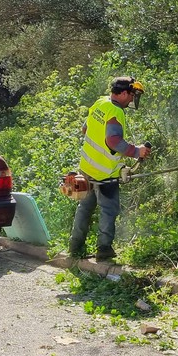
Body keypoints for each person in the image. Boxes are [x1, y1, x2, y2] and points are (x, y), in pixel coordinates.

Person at [68, 76, 151, 262]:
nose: (131, 100)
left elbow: (85, 129)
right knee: (108, 210)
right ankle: (104, 249)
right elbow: (112, 141)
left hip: (87, 168)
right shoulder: (115, 111)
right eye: (131, 95)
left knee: (84, 208)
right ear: (122, 93)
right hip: (105, 174)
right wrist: (137, 151)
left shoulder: (100, 103)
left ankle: (75, 246)